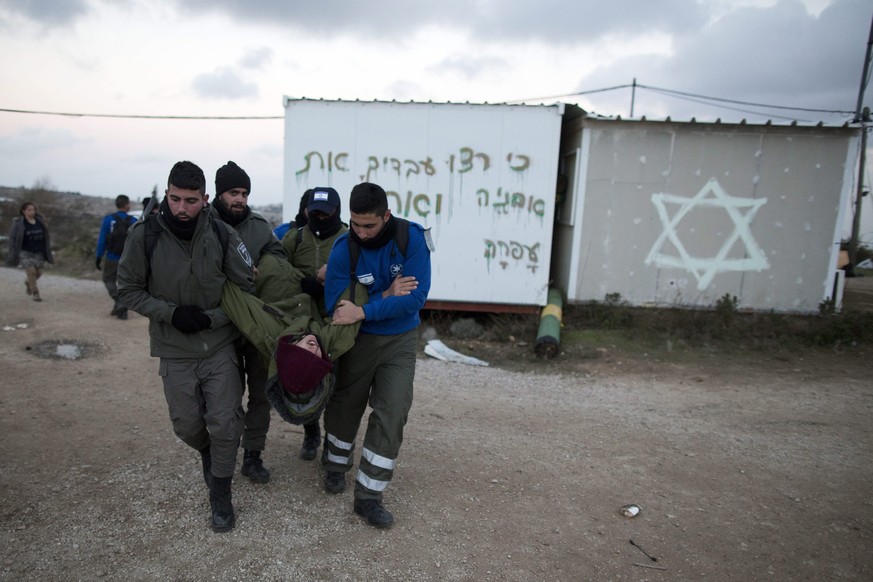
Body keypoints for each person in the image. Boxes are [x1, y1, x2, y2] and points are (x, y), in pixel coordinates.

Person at [117, 160, 255, 533]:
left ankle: (221, 494)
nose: (181, 208)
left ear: (205, 199)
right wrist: (171, 314)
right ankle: (208, 453)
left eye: (190, 201)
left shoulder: (224, 234)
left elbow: (246, 288)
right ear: (166, 194)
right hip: (174, 346)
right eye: (175, 198)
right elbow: (127, 289)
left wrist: (214, 318)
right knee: (186, 425)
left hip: (220, 346)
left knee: (225, 424)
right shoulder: (144, 235)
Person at [321, 182, 432, 528]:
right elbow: (337, 308)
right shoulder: (344, 249)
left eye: (368, 225)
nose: (361, 232)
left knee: (393, 410)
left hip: (399, 341)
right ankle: (335, 466)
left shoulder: (411, 239)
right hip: (358, 342)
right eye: (355, 224)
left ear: (386, 215)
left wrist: (365, 308)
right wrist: (385, 294)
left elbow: (414, 299)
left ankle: (369, 495)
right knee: (346, 405)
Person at [212, 160, 287, 484]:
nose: (239, 199)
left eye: (243, 193)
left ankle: (253, 455)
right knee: (225, 398)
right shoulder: (205, 224)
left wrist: (263, 268)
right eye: (233, 192)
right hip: (221, 326)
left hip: (257, 326)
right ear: (219, 194)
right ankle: (222, 455)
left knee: (260, 394)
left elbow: (278, 256)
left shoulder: (259, 225)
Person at [281, 186, 347, 461]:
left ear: (337, 211)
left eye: (325, 211)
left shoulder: (349, 238)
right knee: (308, 378)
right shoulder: (294, 238)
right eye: (314, 211)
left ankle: (334, 450)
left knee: (339, 386)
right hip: (305, 321)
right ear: (306, 211)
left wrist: (330, 284)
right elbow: (280, 268)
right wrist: (302, 284)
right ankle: (311, 432)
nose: (319, 216)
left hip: (339, 322)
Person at [95, 195, 138, 319]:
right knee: (125, 283)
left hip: (112, 257)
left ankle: (119, 302)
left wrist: (98, 256)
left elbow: (102, 241)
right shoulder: (133, 221)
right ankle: (121, 308)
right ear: (126, 205)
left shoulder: (108, 220)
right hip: (128, 258)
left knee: (108, 279)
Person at [6, 201, 54, 302]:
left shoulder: (40, 221)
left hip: (38, 252)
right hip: (25, 251)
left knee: (39, 273)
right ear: (23, 211)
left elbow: (46, 235)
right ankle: (35, 293)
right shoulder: (18, 223)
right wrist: (12, 252)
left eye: (33, 209)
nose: (32, 212)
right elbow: (12, 238)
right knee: (31, 272)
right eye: (29, 210)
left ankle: (28, 282)